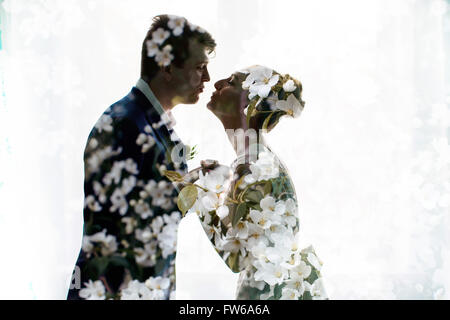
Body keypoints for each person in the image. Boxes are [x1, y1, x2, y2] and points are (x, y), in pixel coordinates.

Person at [67, 15, 215, 300]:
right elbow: (125, 225)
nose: (207, 78)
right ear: (167, 67)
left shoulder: (149, 119)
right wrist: (192, 186)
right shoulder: (125, 124)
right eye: (199, 67)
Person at [179, 65, 327, 300]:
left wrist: (196, 189)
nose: (217, 83)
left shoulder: (252, 163)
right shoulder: (257, 158)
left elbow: (235, 257)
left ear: (250, 104)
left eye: (231, 82)